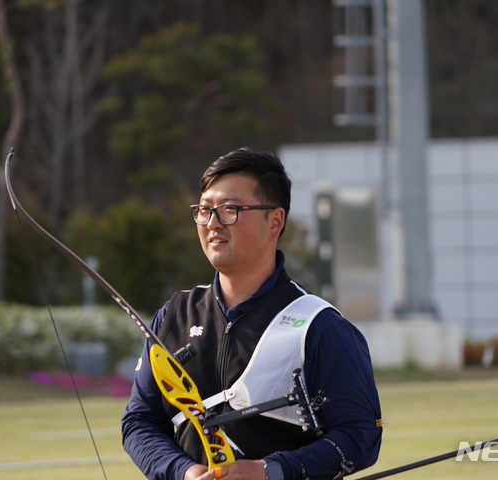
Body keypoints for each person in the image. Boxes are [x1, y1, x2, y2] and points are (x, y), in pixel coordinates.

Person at [122, 148, 382, 480]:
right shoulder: (173, 316)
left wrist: (271, 471)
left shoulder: (319, 325)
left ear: (275, 221)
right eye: (204, 210)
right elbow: (139, 422)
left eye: (230, 209)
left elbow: (361, 437)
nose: (212, 223)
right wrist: (184, 472)